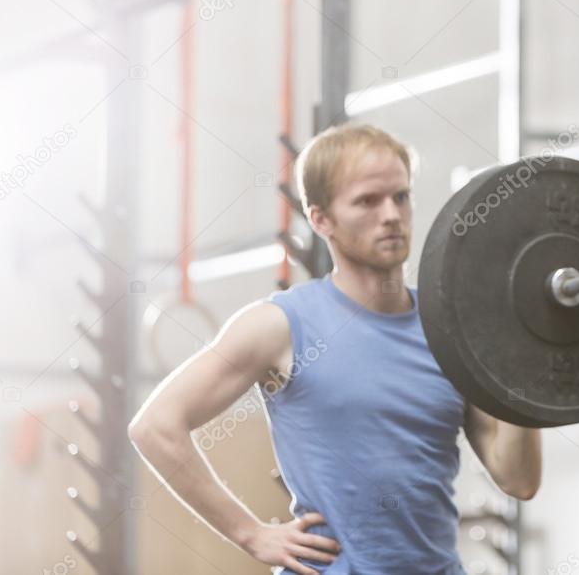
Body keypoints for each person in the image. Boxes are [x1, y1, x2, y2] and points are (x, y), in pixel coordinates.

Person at [129, 124, 542, 575]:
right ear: (321, 218)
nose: (391, 214)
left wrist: (520, 356)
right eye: (368, 201)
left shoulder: (451, 329)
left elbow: (517, 479)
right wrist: (250, 534)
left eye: (400, 197)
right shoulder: (279, 326)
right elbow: (155, 426)